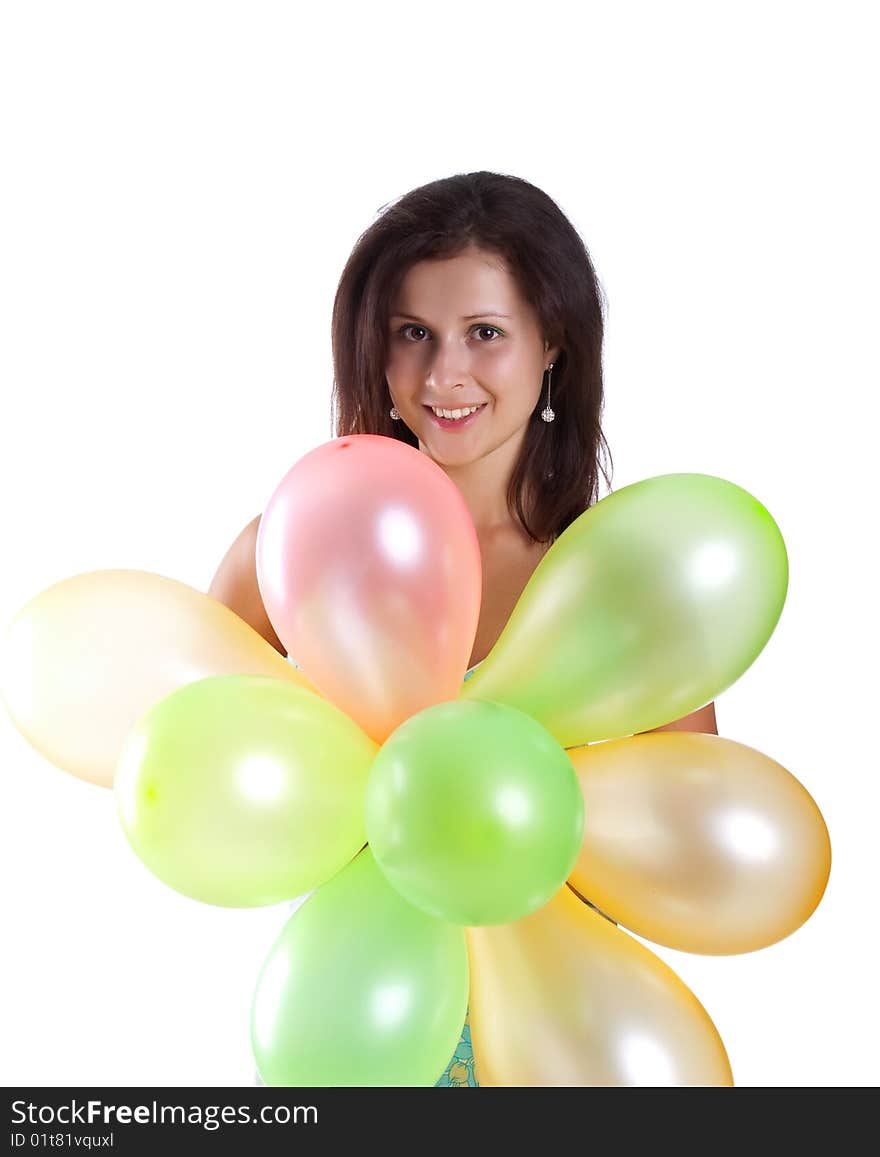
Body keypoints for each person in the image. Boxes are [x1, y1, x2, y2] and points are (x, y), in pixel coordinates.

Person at [208, 171, 719, 1087]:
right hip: (364, 1017)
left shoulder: (613, 580)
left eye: (485, 332)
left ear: (552, 340)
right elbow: (200, 760)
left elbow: (685, 825)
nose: (445, 375)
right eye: (414, 334)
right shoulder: (296, 549)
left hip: (563, 1022)